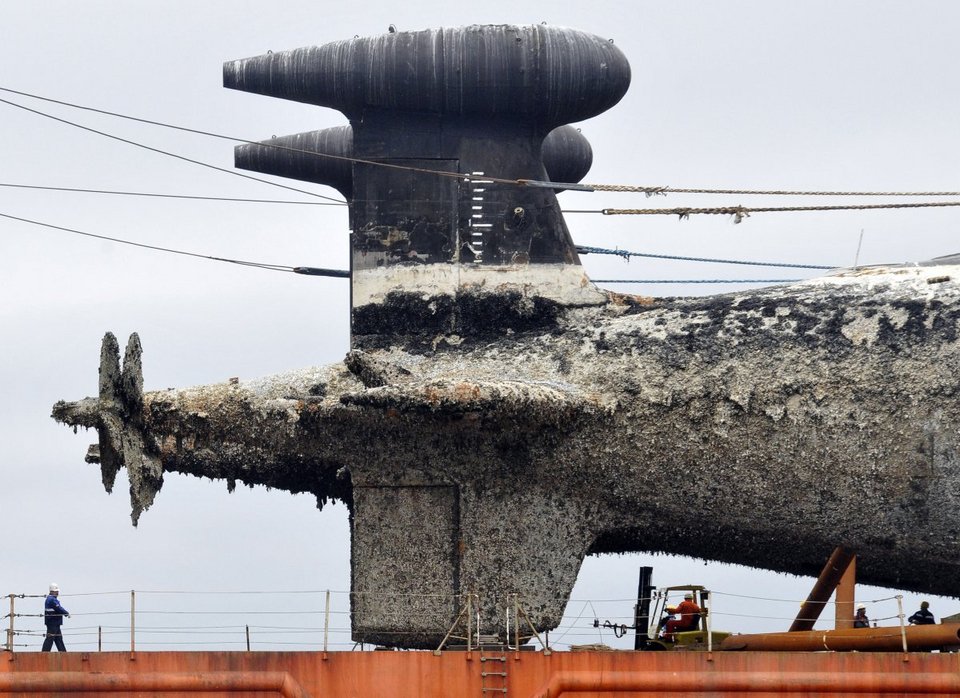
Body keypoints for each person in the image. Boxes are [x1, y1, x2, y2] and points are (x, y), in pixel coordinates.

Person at [41, 583, 70, 652]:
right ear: (52, 591)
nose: (57, 593)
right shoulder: (52, 600)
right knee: (50, 638)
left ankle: (63, 653)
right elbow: (59, 608)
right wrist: (66, 613)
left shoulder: (50, 599)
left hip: (54, 622)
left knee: (58, 638)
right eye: (56, 591)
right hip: (52, 622)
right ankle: (44, 653)